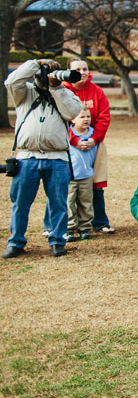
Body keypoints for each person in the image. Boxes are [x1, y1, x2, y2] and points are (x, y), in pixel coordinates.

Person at [3, 59, 83, 259]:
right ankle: (16, 242)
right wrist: (34, 63)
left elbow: (72, 112)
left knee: (58, 203)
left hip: (57, 158)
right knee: (20, 203)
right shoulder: (24, 92)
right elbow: (11, 82)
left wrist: (56, 89)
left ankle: (57, 241)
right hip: (27, 157)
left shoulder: (66, 94)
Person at [58, 59, 115, 234]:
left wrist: (95, 138)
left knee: (95, 183)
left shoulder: (96, 92)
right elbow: (58, 119)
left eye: (85, 69)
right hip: (66, 145)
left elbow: (104, 117)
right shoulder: (61, 91)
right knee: (63, 187)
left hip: (93, 144)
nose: (82, 72)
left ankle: (99, 222)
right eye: (77, 69)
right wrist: (74, 140)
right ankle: (55, 225)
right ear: (69, 71)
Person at [64, 107, 98, 241]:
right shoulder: (68, 134)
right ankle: (69, 228)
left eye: (88, 117)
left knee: (86, 202)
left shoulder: (93, 134)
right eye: (82, 117)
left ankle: (85, 227)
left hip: (87, 175)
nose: (86, 119)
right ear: (73, 119)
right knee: (69, 202)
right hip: (70, 176)